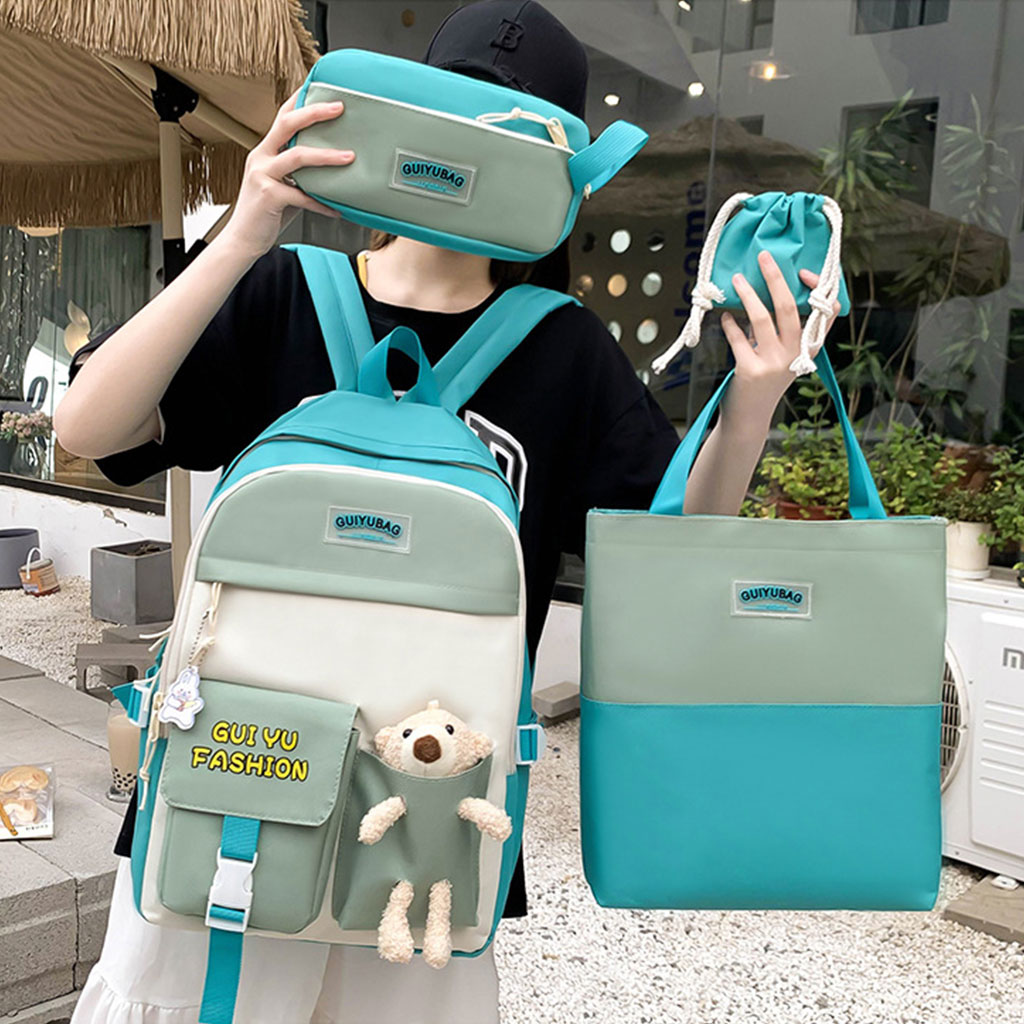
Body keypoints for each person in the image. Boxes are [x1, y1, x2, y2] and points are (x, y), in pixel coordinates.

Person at [57, 3, 840, 1022]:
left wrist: (753, 401)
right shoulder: (286, 290)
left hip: (432, 816)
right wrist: (245, 230)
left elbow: (668, 557)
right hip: (236, 787)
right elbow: (89, 425)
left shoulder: (563, 350)